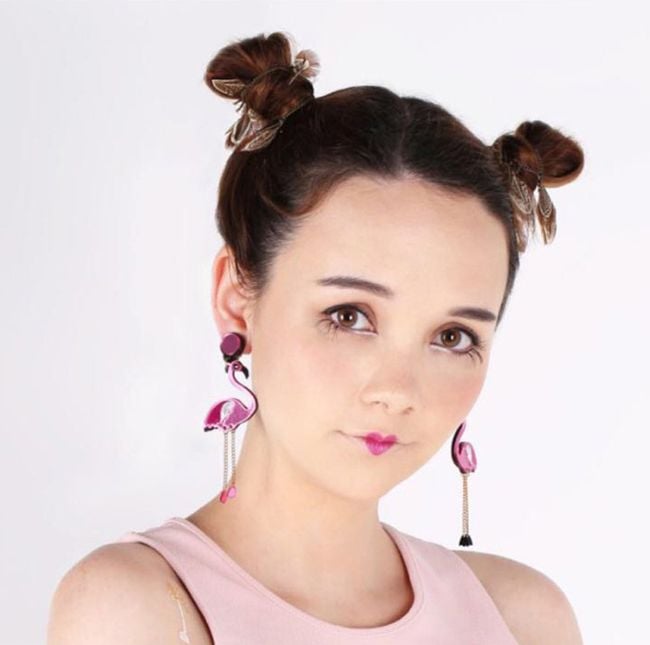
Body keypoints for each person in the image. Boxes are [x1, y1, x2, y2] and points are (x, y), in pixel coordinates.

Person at [47, 31, 585, 645]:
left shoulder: (523, 618)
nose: (397, 391)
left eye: (453, 336)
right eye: (349, 316)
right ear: (236, 300)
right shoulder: (138, 605)